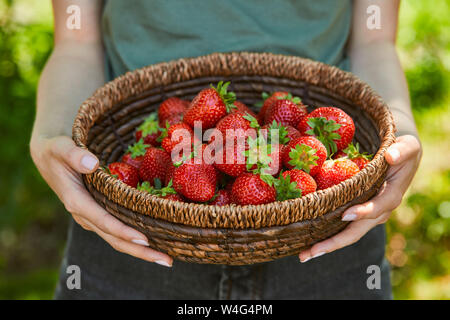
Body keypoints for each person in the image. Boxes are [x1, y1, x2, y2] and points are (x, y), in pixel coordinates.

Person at [31, 0, 421, 299]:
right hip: (127, 231)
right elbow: (76, 38)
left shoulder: (285, 151)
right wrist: (53, 130)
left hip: (331, 229)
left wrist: (397, 130)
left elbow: (374, 39)